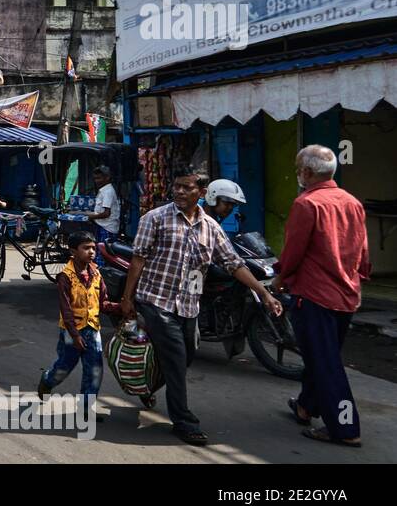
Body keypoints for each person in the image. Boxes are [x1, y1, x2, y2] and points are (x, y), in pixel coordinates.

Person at [121, 166, 283, 447]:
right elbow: (138, 259)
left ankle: (149, 385)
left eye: (187, 187)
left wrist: (264, 294)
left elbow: (234, 264)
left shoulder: (212, 228)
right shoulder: (155, 218)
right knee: (175, 358)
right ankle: (185, 422)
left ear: (203, 193)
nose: (180, 191)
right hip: (156, 301)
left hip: (189, 306)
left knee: (184, 358)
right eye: (177, 186)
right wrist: (127, 299)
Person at [275, 145, 369, 448]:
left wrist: (281, 278)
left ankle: (344, 427)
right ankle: (306, 406)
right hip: (347, 293)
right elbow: (363, 251)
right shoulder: (352, 202)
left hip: (315, 295)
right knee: (324, 356)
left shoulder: (307, 204)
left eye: (298, 168)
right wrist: (357, 279)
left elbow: (293, 251)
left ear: (307, 173)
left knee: (326, 363)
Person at [38, 231, 119, 420]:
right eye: (86, 248)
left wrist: (121, 307)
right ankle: (47, 380)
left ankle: (85, 410)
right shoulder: (65, 277)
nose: (91, 252)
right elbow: (66, 310)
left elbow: (103, 302)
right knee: (64, 367)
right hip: (71, 331)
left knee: (95, 370)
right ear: (73, 251)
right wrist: (75, 336)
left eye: (93, 248)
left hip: (93, 329)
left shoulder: (96, 273)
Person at [86, 165, 120, 247]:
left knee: (103, 254)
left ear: (107, 178)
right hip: (103, 226)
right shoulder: (104, 190)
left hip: (107, 228)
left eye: (99, 178)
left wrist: (91, 217)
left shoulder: (108, 192)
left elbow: (106, 213)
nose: (96, 181)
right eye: (95, 178)